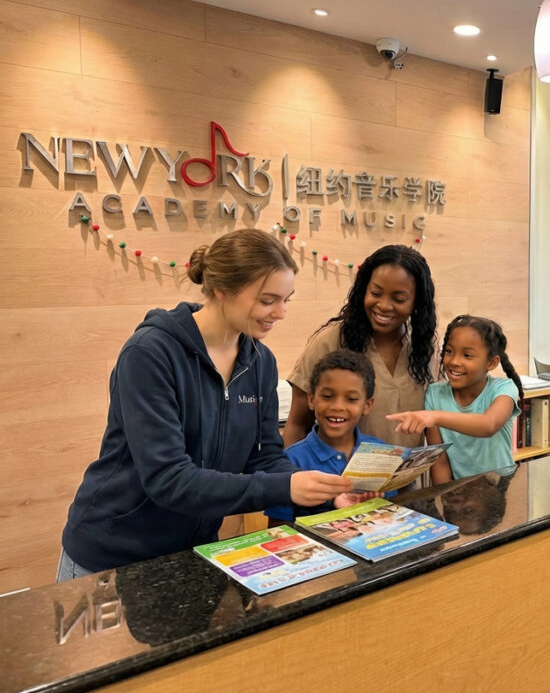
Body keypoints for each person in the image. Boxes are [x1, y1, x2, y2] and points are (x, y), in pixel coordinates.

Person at [58, 229, 353, 580]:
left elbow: (265, 457)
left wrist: (321, 492)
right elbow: (169, 480)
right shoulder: (150, 354)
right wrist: (284, 488)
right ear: (222, 289)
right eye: (268, 300)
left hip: (194, 552)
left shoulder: (260, 362)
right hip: (114, 555)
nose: (281, 313)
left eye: (287, 299)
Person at [283, 244, 437, 448]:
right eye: (375, 293)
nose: (383, 305)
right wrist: (292, 475)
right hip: (337, 475)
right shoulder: (332, 340)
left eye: (398, 299)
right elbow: (297, 425)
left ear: (417, 302)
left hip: (407, 477)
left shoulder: (425, 347)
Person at [387, 315, 522, 483]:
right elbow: (440, 461)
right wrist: (443, 500)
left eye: (467, 355)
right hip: (461, 492)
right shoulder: (435, 394)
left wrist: (435, 416)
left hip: (501, 485)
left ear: (491, 363)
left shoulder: (504, 388)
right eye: (449, 351)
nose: (454, 362)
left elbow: (489, 425)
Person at [265, 349, 387, 525]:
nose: (337, 406)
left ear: (367, 405)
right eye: (327, 396)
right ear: (311, 400)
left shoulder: (379, 453)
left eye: (351, 399)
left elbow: (390, 515)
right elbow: (277, 529)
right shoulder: (291, 460)